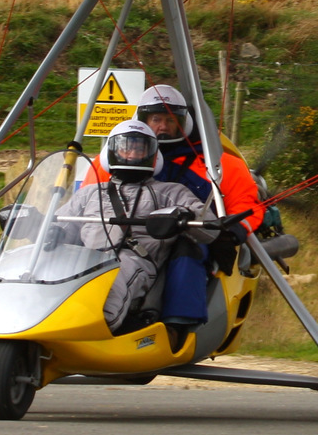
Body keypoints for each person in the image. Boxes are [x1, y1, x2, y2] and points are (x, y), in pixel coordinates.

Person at [65, 119, 217, 342]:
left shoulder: (170, 192)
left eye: (140, 148)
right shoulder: (90, 193)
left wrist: (185, 216)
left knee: (115, 279)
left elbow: (210, 228)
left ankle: (94, 330)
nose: (133, 153)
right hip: (88, 258)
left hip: (135, 259)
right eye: (127, 146)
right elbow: (58, 223)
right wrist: (39, 226)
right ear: (112, 151)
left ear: (153, 155)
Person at [134, 84, 264, 235]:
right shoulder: (123, 158)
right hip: (135, 239)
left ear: (183, 123)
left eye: (171, 120)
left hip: (193, 240)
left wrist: (234, 231)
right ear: (143, 121)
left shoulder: (220, 163)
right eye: (156, 119)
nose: (163, 126)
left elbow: (245, 205)